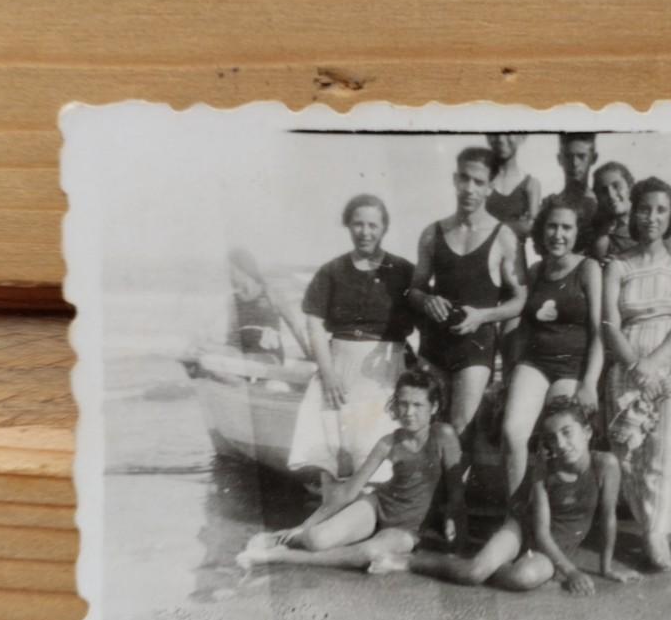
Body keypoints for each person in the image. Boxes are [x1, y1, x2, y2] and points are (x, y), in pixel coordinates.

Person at [370, 396, 638, 594]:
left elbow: (608, 518)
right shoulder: (545, 470)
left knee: (523, 579)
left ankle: (482, 563)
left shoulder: (606, 465)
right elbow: (541, 532)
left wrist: (606, 567)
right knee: (473, 573)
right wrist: (571, 571)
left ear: (588, 432)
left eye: (567, 433)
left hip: (559, 544)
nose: (561, 444)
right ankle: (410, 562)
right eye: (553, 438)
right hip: (524, 528)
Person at [239, 369, 465, 571]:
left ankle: (282, 558)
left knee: (368, 554)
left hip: (411, 528)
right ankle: (282, 539)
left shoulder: (444, 436)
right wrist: (305, 525)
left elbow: (456, 490)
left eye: (418, 405)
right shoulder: (388, 442)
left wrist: (453, 527)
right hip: (378, 506)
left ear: (433, 407)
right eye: (403, 404)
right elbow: (349, 491)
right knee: (317, 539)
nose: (408, 412)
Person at [603, 177, 671, 571]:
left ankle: (657, 533)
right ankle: (645, 524)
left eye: (661, 209)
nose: (652, 217)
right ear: (634, 213)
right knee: (630, 451)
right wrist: (634, 365)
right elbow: (609, 323)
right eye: (645, 208)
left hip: (670, 361)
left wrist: (654, 363)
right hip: (627, 361)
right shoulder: (618, 266)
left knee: (667, 450)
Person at [288, 194, 416, 483]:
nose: (365, 232)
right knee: (333, 455)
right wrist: (327, 374)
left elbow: (424, 322)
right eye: (358, 224)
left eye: (373, 225)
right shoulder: (332, 271)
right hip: (338, 367)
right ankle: (332, 512)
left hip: (386, 369)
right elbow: (315, 324)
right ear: (348, 226)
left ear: (384, 228)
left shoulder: (403, 271)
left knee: (376, 455)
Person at [408, 147, 526, 449]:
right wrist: (426, 301)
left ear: (489, 187)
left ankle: (455, 497)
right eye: (464, 179)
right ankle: (428, 496)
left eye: (478, 181)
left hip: (475, 344)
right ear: (454, 179)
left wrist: (483, 316)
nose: (469, 188)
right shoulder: (432, 233)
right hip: (434, 342)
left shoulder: (503, 237)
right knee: (425, 429)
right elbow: (415, 289)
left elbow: (521, 299)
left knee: (461, 428)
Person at [501, 201, 603, 503]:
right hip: (535, 363)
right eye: (552, 226)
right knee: (512, 431)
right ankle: (516, 514)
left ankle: (564, 512)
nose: (558, 234)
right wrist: (509, 374)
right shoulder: (535, 272)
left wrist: (589, 383)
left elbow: (599, 332)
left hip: (572, 366)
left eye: (566, 227)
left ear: (577, 232)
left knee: (564, 435)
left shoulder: (588, 268)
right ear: (542, 230)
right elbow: (523, 328)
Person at [224, 246, 308, 365]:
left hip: (269, 357)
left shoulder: (271, 293)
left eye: (232, 271)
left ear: (243, 269)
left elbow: (293, 326)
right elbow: (232, 338)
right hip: (244, 357)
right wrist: (225, 353)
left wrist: (309, 355)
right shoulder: (234, 300)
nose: (230, 276)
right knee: (210, 351)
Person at [540, 132, 601, 254]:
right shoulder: (549, 205)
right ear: (559, 159)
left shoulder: (601, 204)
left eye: (581, 156)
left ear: (593, 158)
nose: (574, 163)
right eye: (568, 156)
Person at [484, 133, 541, 242]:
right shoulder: (481, 181)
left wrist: (488, 226)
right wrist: (517, 224)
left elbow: (533, 228)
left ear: (523, 137)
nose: (500, 139)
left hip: (516, 256)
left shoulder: (530, 184)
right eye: (495, 132)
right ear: (488, 137)